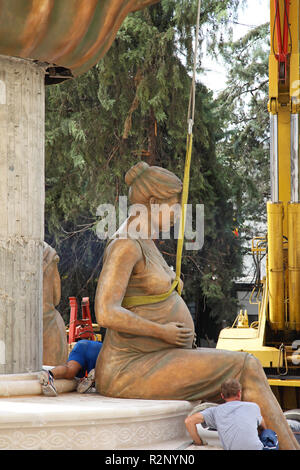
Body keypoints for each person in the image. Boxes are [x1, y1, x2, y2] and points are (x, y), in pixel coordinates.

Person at [94, 161, 299, 450]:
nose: (178, 213)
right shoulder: (125, 244)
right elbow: (105, 312)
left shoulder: (145, 241)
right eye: (174, 206)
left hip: (156, 357)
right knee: (245, 366)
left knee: (242, 372)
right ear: (153, 203)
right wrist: (162, 331)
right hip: (130, 368)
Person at [185, 378, 279, 450]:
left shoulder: (215, 411)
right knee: (269, 433)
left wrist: (198, 442)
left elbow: (189, 421)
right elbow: (263, 426)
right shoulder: (253, 406)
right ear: (239, 393)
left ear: (222, 396)